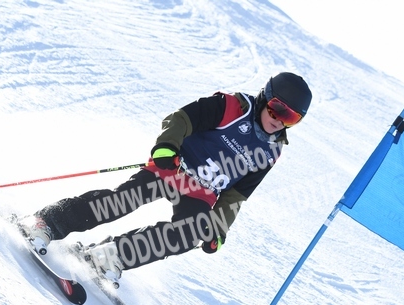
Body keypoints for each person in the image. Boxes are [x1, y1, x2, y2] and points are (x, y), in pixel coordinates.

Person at [19, 72, 312, 280]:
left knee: (189, 234)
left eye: (291, 118)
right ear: (265, 98)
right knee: (122, 201)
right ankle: (46, 222)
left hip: (202, 192)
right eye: (277, 109)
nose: (279, 120)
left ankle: (111, 255)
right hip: (175, 168)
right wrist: (166, 148)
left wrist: (219, 229)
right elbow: (182, 119)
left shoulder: (271, 151)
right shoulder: (232, 107)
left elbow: (237, 194)